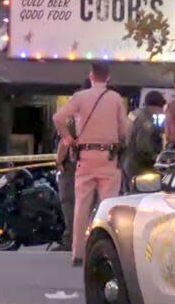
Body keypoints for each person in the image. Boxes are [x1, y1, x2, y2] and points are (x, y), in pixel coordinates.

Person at [52, 62, 127, 267]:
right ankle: (109, 251)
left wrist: (68, 139)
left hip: (85, 157)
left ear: (91, 75)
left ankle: (78, 253)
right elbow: (124, 129)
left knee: (81, 206)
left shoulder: (80, 98)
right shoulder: (115, 99)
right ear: (108, 77)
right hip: (108, 158)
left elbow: (58, 118)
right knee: (108, 207)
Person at [51, 78, 91, 252]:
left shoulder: (78, 112)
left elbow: (65, 140)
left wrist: (59, 161)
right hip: (102, 162)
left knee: (69, 200)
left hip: (76, 164)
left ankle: (72, 239)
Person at [123, 90, 166, 183]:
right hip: (138, 164)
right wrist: (156, 157)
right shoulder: (146, 120)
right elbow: (143, 146)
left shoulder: (134, 113)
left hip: (127, 159)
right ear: (155, 106)